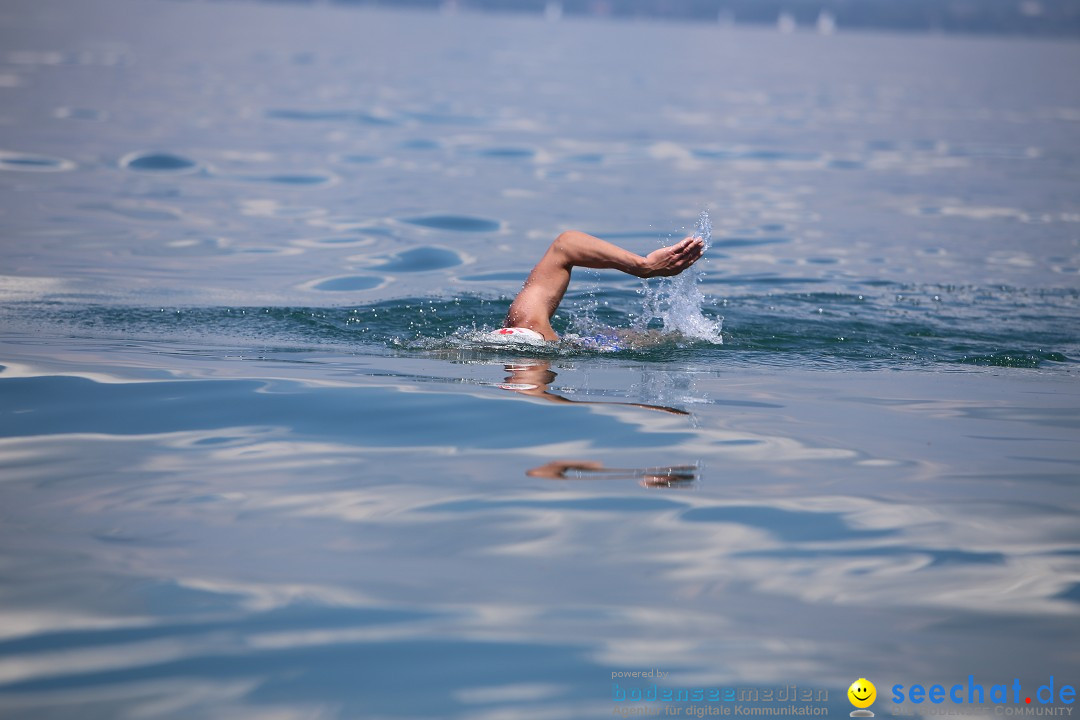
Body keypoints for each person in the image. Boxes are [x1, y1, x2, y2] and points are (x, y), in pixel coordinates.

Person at [500, 230, 705, 342]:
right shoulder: (525, 323)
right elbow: (565, 246)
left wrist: (643, 266)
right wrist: (643, 267)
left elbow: (565, 245)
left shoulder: (524, 322)